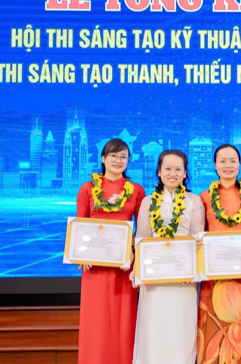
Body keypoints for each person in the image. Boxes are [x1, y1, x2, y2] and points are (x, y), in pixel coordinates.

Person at [75, 138, 146, 364]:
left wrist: (134, 251)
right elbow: (80, 224)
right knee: (96, 321)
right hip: (95, 267)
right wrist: (81, 254)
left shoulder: (136, 190)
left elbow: (143, 229)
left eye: (123, 157)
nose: (118, 160)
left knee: (123, 322)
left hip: (124, 267)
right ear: (103, 158)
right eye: (113, 156)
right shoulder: (88, 188)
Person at [131, 150, 204, 363]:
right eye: (168, 169)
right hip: (154, 279)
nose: (173, 173)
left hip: (184, 279)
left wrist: (194, 271)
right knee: (153, 329)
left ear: (185, 173)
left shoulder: (194, 201)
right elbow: (141, 240)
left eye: (178, 169)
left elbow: (197, 239)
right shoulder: (147, 202)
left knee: (181, 331)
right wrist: (138, 271)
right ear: (159, 172)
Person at [197, 144, 241, 364]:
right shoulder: (205, 197)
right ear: (214, 165)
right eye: (223, 161)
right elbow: (200, 237)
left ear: (240, 164)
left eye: (233, 161)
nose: (228, 165)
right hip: (214, 277)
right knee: (213, 331)